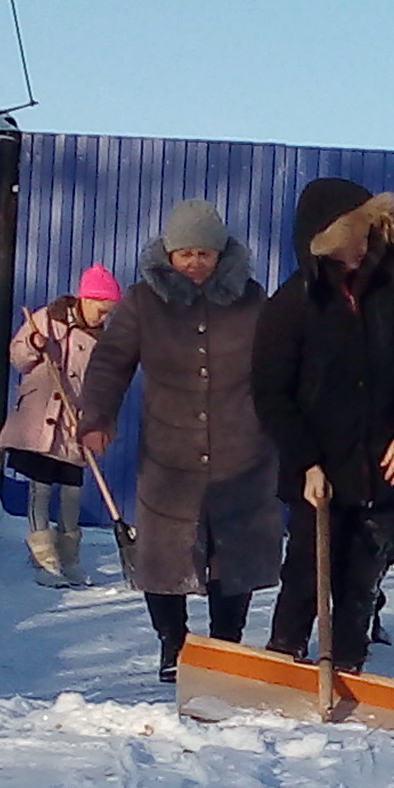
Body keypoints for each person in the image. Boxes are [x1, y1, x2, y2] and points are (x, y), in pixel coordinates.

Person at [76, 201, 281, 682]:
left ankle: (225, 646)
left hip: (242, 451)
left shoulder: (252, 301)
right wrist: (97, 417)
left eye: (204, 254)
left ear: (221, 254)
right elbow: (110, 363)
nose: (194, 263)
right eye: (185, 253)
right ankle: (174, 644)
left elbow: (281, 365)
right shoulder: (143, 302)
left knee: (234, 554)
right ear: (169, 254)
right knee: (164, 555)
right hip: (169, 456)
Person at [251, 177, 394, 671]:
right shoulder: (292, 305)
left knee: (365, 574)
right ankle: (286, 653)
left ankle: (350, 661)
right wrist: (306, 463)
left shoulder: (389, 294)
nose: (362, 245)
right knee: (308, 570)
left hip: (382, 467)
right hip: (320, 470)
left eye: (367, 233)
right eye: (353, 235)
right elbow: (271, 394)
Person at [0, 265, 120, 587]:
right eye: (101, 309)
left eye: (109, 313)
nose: (103, 317)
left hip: (73, 425)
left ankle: (69, 557)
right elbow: (18, 358)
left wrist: (99, 419)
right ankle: (44, 558)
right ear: (85, 299)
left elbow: (106, 385)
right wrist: (33, 344)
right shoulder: (47, 320)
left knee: (71, 492)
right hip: (40, 419)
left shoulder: (104, 342)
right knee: (40, 487)